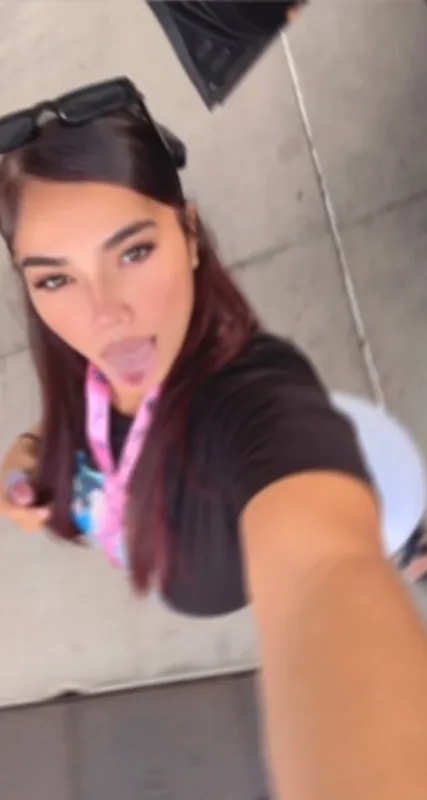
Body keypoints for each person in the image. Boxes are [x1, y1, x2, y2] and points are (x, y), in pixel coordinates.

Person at [0, 77, 427, 800]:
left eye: (134, 252)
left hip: (368, 481)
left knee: (399, 550)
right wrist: (35, 450)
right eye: (54, 280)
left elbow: (322, 569)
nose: (105, 315)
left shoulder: (253, 403)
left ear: (190, 235)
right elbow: (90, 414)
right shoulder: (96, 364)